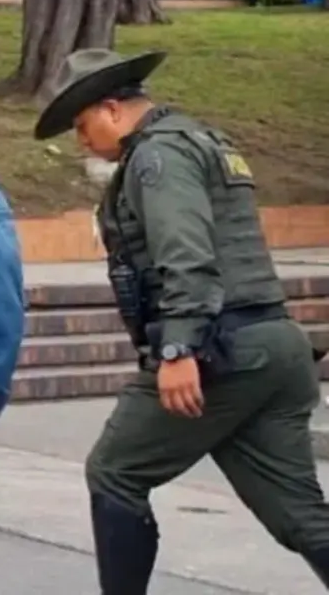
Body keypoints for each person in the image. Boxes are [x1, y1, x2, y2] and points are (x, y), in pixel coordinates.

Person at [33, 48, 329, 592]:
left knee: (115, 472)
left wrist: (177, 352)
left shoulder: (157, 157)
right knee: (301, 518)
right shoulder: (202, 140)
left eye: (82, 125)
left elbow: (186, 256)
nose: (81, 141)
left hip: (222, 350)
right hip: (273, 346)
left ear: (113, 109)